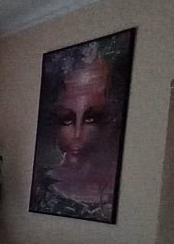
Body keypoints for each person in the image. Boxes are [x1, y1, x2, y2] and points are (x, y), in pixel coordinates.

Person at [30, 42, 127, 221]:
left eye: (92, 119)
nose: (77, 134)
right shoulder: (43, 184)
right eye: (66, 120)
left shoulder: (115, 192)